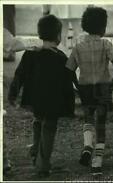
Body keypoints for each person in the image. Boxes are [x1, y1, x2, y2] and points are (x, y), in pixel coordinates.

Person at [8, 15, 75, 177]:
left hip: (35, 100)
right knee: (49, 128)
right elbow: (70, 81)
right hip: (53, 102)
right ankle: (43, 165)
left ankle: (36, 150)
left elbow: (20, 74)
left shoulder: (31, 54)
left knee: (38, 121)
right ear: (58, 35)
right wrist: (72, 103)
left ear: (40, 34)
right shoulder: (61, 57)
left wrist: (12, 93)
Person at [66, 6, 113, 176]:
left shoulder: (78, 46)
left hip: (85, 87)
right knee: (101, 123)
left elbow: (69, 69)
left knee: (88, 117)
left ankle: (87, 145)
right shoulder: (106, 44)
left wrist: (76, 84)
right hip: (103, 87)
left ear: (84, 25)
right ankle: (97, 162)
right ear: (103, 27)